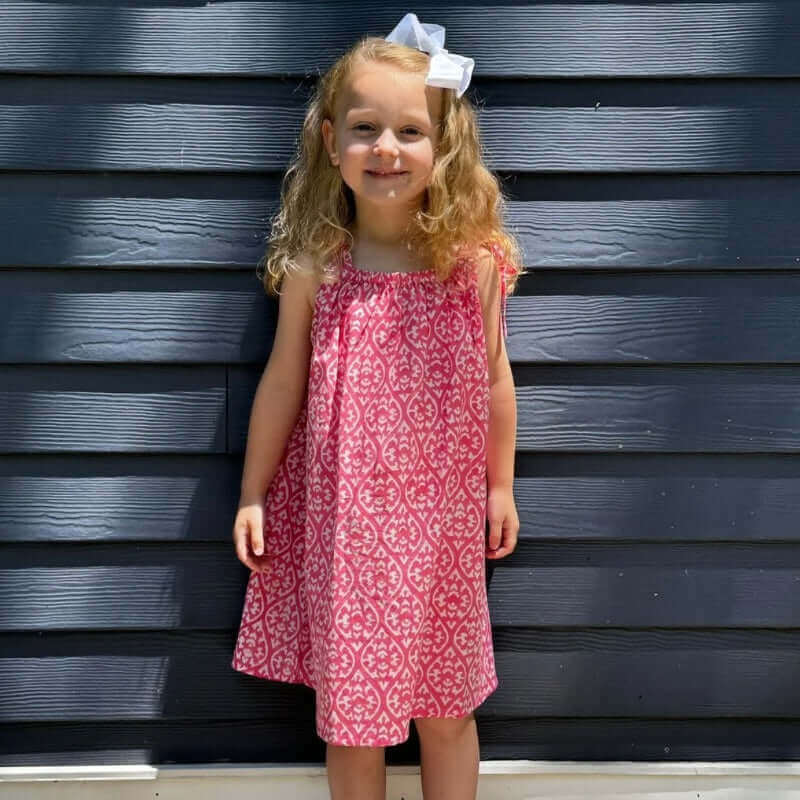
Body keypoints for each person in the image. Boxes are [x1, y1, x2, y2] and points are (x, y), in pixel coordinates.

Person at [231, 11, 522, 800]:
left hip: (440, 528)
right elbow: (283, 380)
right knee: (351, 719)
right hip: (347, 532)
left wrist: (501, 486)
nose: (387, 149)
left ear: (443, 143)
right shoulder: (317, 265)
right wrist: (253, 491)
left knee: (447, 709)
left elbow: (496, 379)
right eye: (365, 128)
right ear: (331, 141)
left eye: (409, 130)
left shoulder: (474, 268)